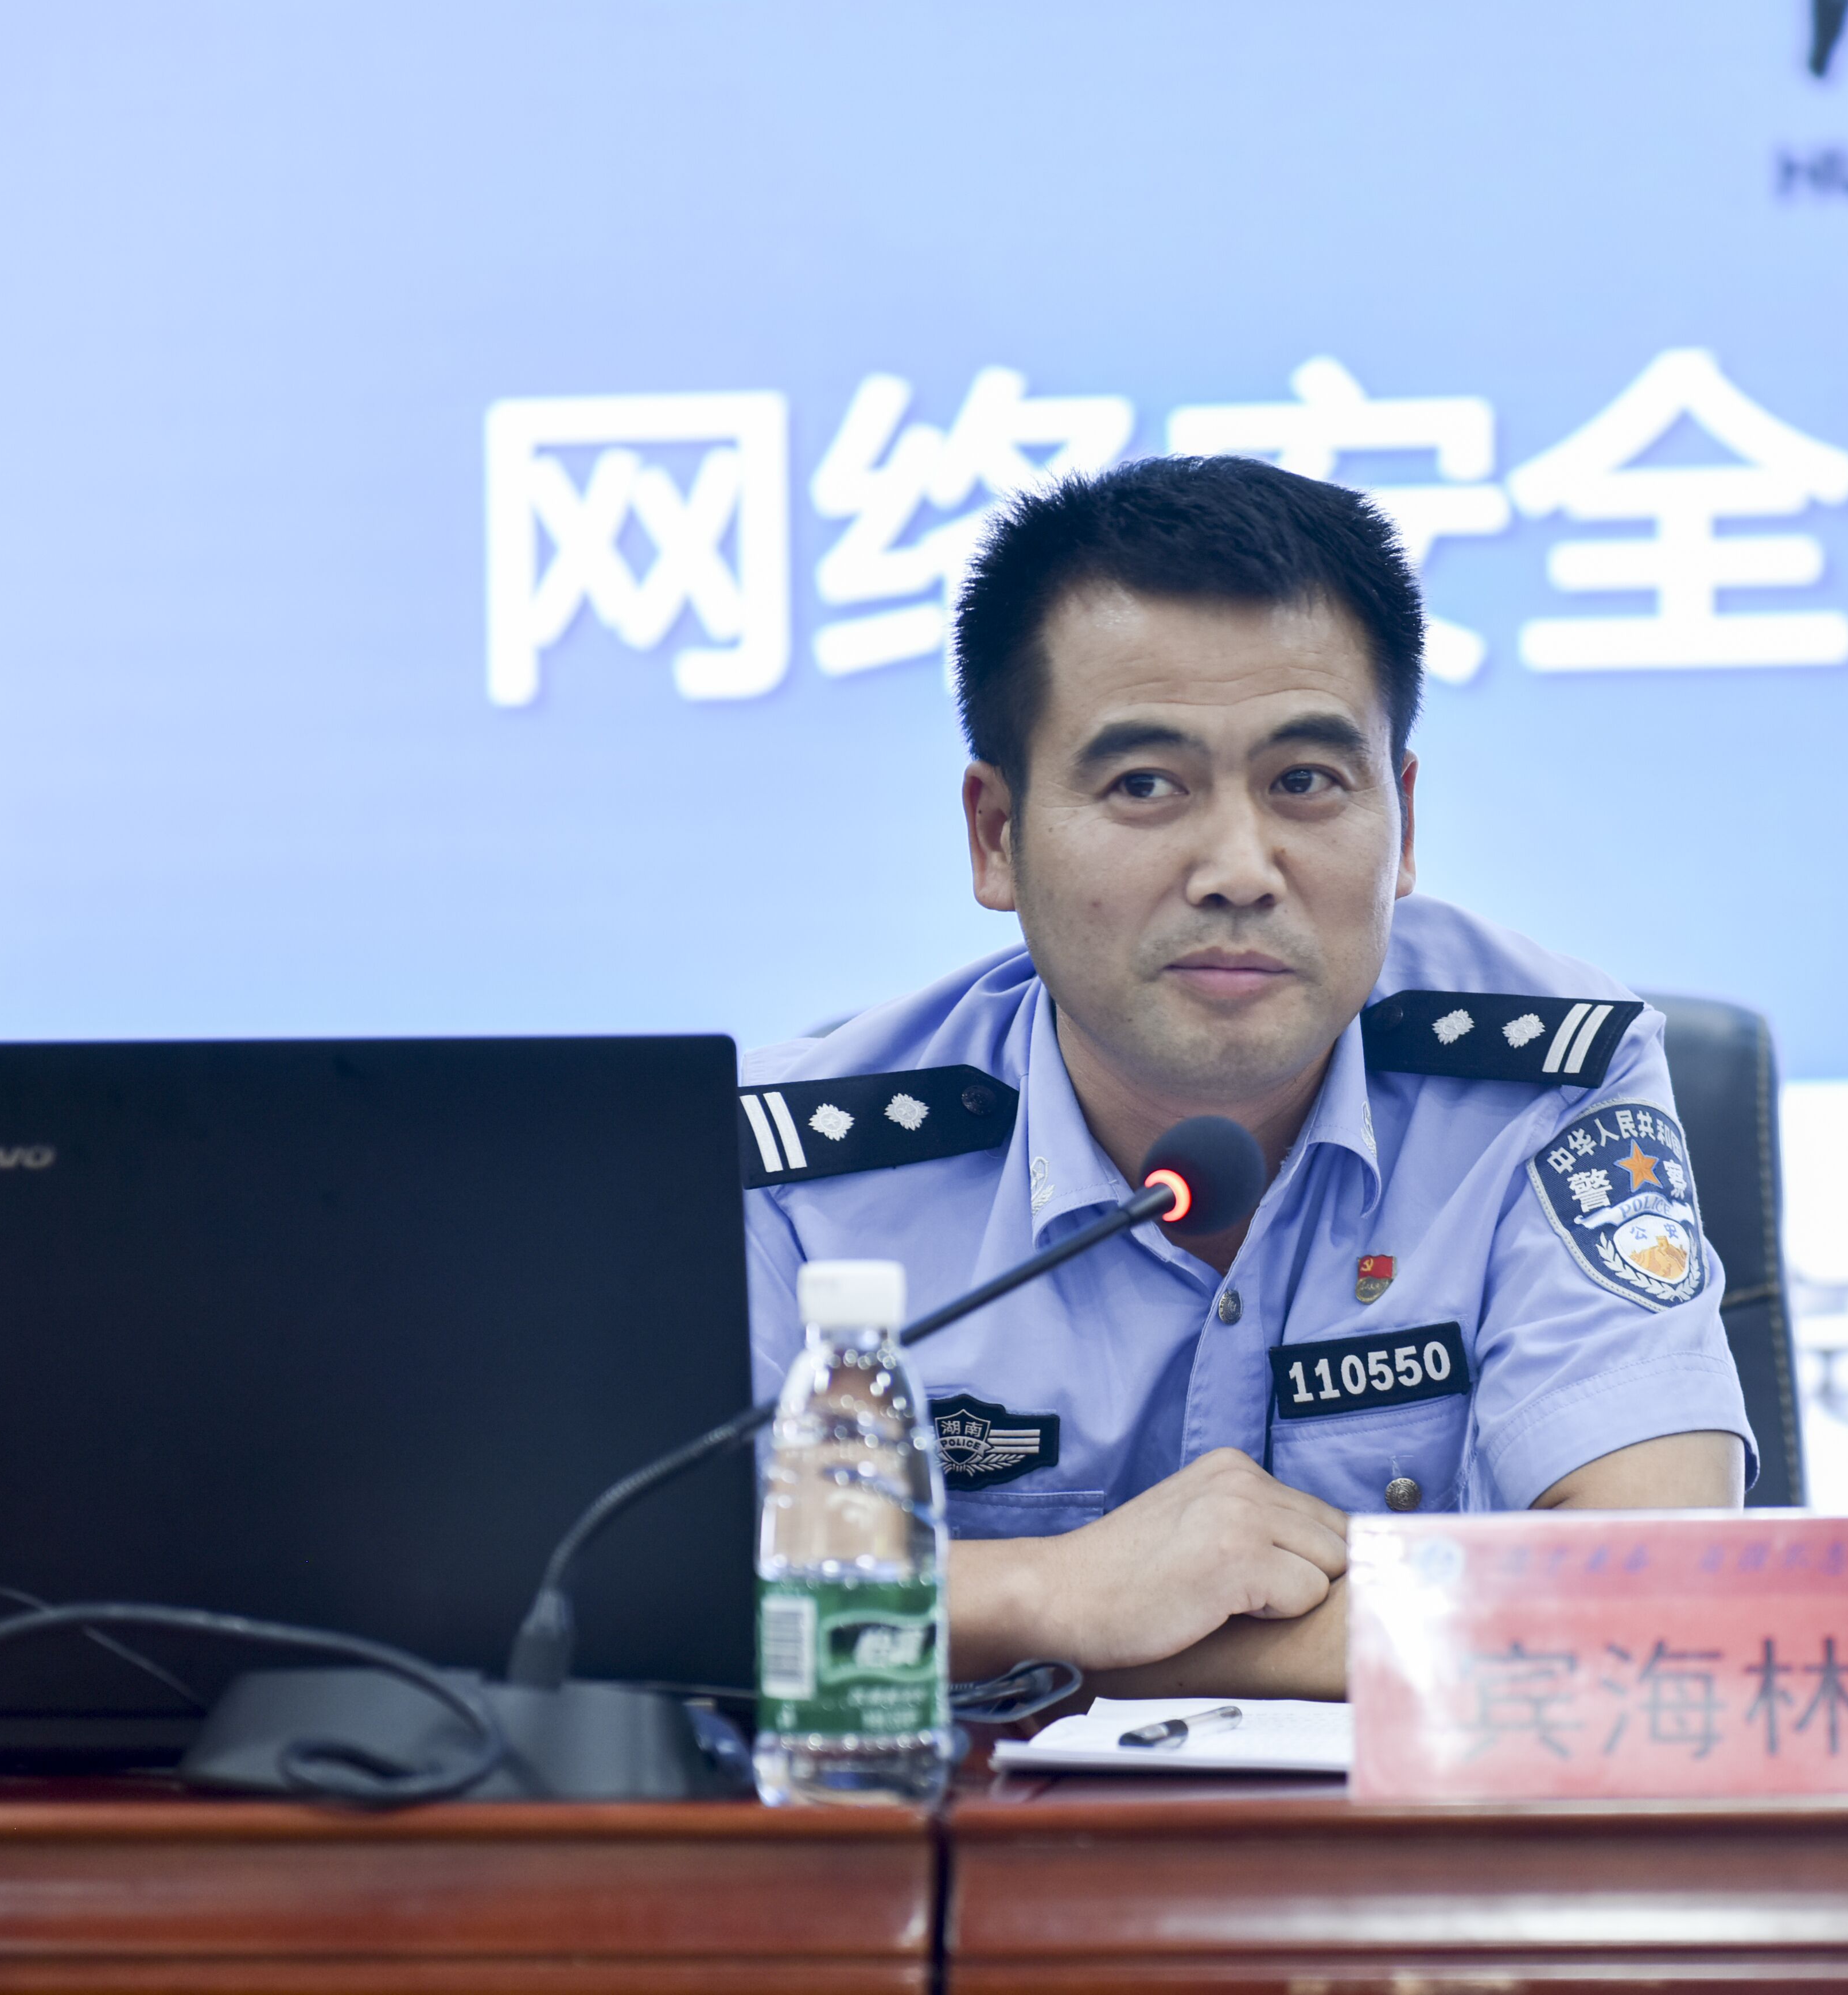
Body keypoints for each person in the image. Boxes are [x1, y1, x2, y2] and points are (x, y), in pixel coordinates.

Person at [740, 455, 1752, 1699]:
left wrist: (1034, 1627)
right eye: (1145, 786)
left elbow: (1654, 1594)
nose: (1238, 869)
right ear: (997, 836)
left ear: (1404, 822)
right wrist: (1057, 1588)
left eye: (1305, 783)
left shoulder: (1546, 1085)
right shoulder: (803, 1171)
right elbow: (649, 1612)